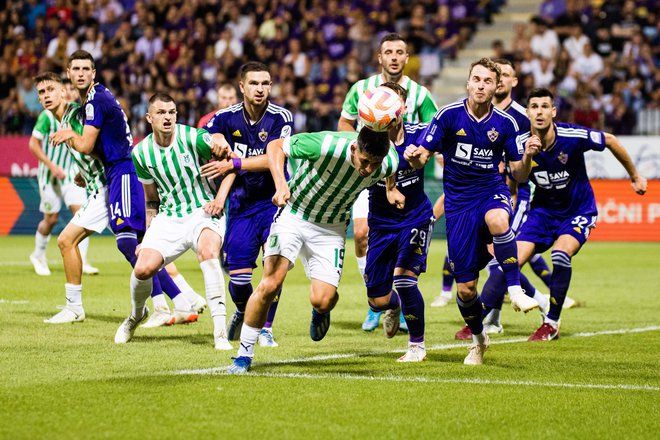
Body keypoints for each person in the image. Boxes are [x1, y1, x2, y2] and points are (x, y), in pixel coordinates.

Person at [227, 126, 399, 374]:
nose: (369, 170)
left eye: (375, 164)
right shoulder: (326, 144)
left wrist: (391, 189)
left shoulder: (388, 162)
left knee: (323, 299)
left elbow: (391, 169)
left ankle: (321, 311)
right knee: (270, 283)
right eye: (365, 161)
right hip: (294, 215)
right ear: (354, 148)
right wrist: (280, 184)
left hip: (331, 230)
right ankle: (244, 355)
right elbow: (275, 146)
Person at [404, 58, 541, 365]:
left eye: (488, 81)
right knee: (466, 290)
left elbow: (518, 175)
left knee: (498, 218)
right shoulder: (448, 116)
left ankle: (516, 288)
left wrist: (529, 157)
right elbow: (422, 155)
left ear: (497, 86)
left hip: (491, 192)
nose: (481, 86)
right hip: (459, 205)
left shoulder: (505, 124)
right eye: (476, 80)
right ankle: (479, 339)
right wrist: (413, 156)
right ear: (468, 83)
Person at [48, 50, 193, 325]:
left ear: (93, 73)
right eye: (75, 69)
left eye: (85, 69)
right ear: (69, 73)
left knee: (129, 243)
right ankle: (182, 301)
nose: (80, 73)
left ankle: (166, 306)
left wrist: (70, 135)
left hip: (122, 171)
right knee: (138, 244)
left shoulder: (94, 100)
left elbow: (86, 144)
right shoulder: (94, 99)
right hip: (116, 172)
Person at [503, 87, 646, 340]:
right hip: (543, 212)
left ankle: (552, 322)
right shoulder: (521, 143)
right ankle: (504, 312)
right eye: (534, 106)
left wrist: (634, 176)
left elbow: (610, 140)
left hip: (578, 211)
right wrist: (528, 155)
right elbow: (520, 176)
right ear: (527, 112)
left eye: (545, 106)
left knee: (560, 254)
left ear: (553, 111)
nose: (539, 112)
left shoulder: (571, 135)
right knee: (511, 260)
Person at [337, 32, 438, 332]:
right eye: (388, 52)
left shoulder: (420, 95)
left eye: (400, 52)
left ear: (407, 58)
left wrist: (423, 156)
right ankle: (377, 302)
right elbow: (344, 122)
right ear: (379, 57)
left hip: (406, 179)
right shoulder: (360, 89)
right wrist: (356, 147)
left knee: (405, 266)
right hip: (365, 174)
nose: (394, 57)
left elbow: (431, 134)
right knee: (359, 233)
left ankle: (403, 304)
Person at [115, 93, 232, 348]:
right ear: (149, 118)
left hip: (203, 211)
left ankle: (220, 332)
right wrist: (147, 237)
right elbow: (151, 200)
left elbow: (229, 163)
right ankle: (137, 315)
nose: (167, 117)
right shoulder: (141, 152)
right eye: (160, 112)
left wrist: (220, 199)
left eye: (171, 112)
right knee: (143, 268)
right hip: (169, 217)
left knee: (209, 252)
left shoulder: (194, 137)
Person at [201, 62, 294, 347]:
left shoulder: (281, 116)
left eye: (265, 83)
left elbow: (273, 157)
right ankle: (244, 310)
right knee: (239, 281)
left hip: (273, 202)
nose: (260, 89)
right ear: (242, 86)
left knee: (273, 269)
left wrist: (236, 162)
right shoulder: (226, 117)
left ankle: (265, 327)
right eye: (254, 83)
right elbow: (209, 133)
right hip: (241, 206)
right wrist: (216, 138)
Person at [364, 82, 434, 362]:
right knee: (377, 299)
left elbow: (436, 151)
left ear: (403, 107)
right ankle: (394, 306)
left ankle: (417, 346)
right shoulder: (367, 139)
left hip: (415, 216)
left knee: (405, 280)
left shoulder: (420, 134)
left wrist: (420, 158)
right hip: (381, 222)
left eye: (396, 101)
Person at [28, 75, 98, 277]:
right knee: (51, 218)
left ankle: (82, 260)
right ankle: (38, 255)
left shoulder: (75, 114)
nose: (68, 92)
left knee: (81, 214)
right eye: (43, 91)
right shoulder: (46, 116)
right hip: (49, 176)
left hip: (70, 176)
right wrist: (51, 166)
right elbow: (33, 144)